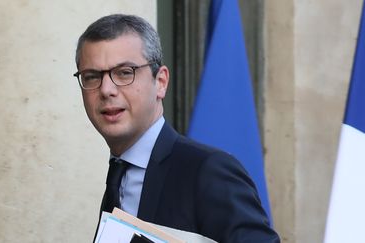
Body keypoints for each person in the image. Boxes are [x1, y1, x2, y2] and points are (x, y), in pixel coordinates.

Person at [74, 14, 280, 243]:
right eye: (92, 77)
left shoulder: (207, 170)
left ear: (160, 82)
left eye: (124, 72)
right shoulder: (119, 173)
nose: (106, 90)